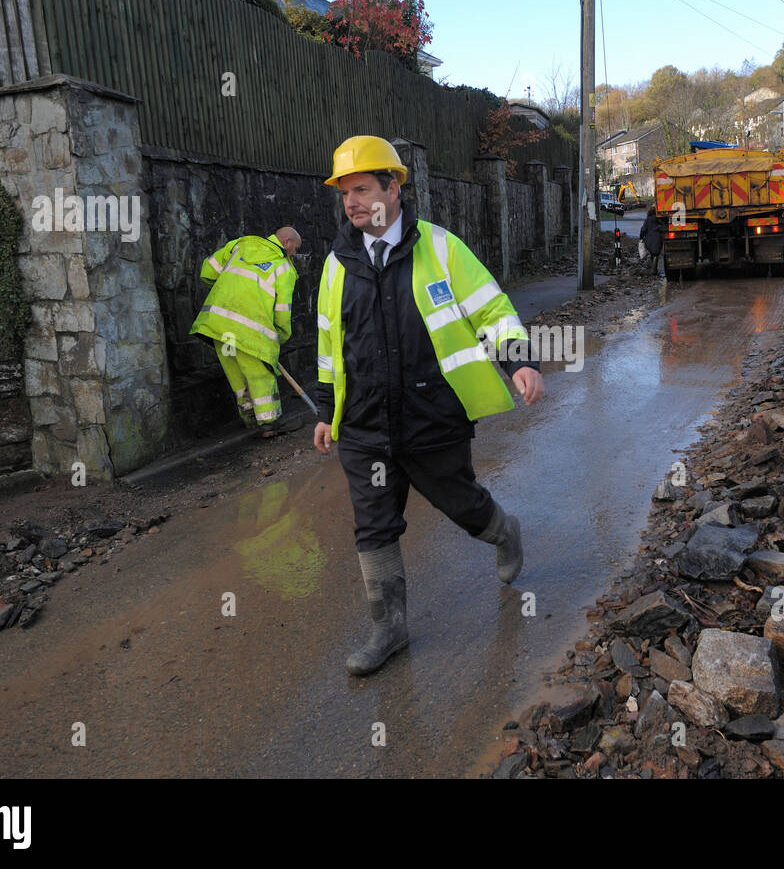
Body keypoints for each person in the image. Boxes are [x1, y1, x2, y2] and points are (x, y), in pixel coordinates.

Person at [312, 136, 545, 676]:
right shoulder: (336, 264)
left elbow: (491, 308)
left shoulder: (441, 248)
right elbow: (329, 343)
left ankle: (503, 530)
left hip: (431, 417)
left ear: (393, 189)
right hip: (366, 424)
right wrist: (326, 412)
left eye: (362, 188)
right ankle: (387, 628)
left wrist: (520, 362)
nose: (351, 201)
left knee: (460, 504)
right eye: (344, 191)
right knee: (373, 526)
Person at [190, 226, 303, 439]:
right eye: (295, 248)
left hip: (219, 325)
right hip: (251, 331)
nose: (294, 254)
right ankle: (270, 423)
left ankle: (250, 419)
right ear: (286, 242)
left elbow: (207, 271)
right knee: (259, 375)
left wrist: (229, 288)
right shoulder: (283, 269)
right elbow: (282, 313)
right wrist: (278, 337)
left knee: (237, 376)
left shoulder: (240, 245)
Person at [640, 205, 664, 276]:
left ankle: (653, 269)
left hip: (648, 239)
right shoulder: (658, 219)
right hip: (657, 239)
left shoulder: (647, 220)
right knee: (656, 254)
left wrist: (641, 238)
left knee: (652, 253)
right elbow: (663, 227)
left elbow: (643, 229)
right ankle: (654, 270)